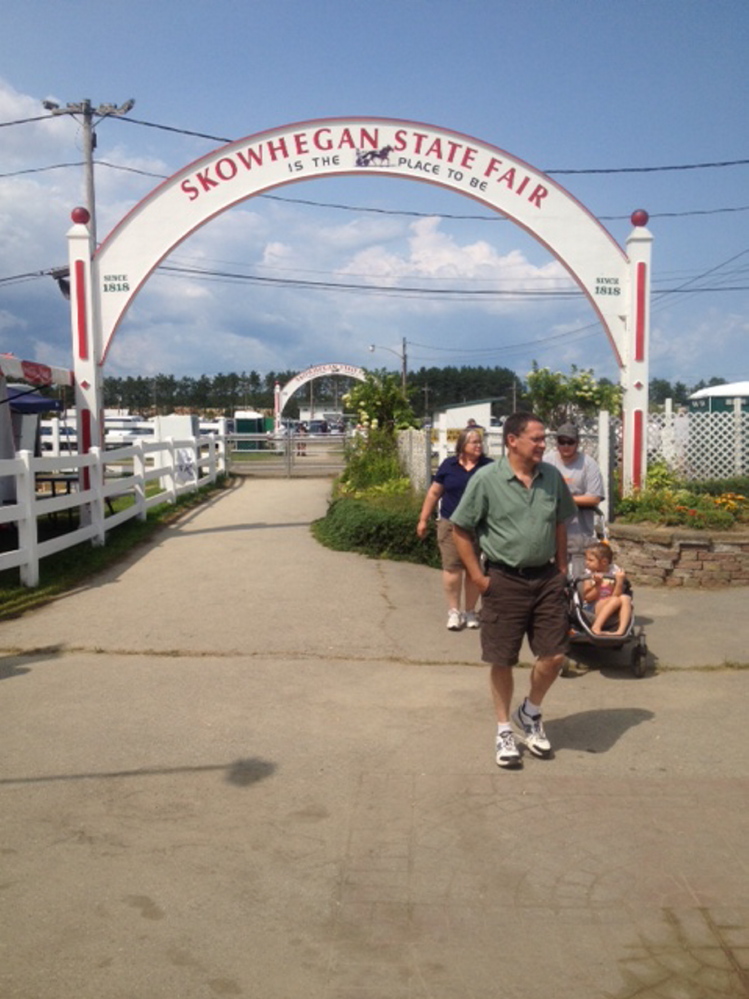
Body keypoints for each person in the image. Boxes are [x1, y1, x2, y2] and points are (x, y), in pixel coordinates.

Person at [450, 411, 576, 769]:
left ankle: (530, 711)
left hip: (547, 579)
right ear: (512, 440)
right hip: (503, 580)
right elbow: (461, 529)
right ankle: (504, 728)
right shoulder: (487, 479)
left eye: (543, 439)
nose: (543, 445)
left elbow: (561, 523)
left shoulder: (551, 477)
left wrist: (562, 569)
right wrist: (477, 577)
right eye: (536, 438)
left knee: (554, 655)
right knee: (502, 658)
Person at [416, 427, 492, 630]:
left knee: (474, 568)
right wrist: (423, 519)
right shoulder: (448, 465)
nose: (478, 446)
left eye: (479, 442)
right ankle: (454, 611)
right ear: (462, 446)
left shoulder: (488, 467)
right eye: (474, 442)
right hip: (451, 523)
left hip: (478, 525)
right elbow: (434, 493)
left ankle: (469, 611)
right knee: (452, 568)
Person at [544, 422, 605, 575]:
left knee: (577, 580)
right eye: (562, 441)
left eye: (570, 442)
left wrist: (564, 499)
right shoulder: (546, 462)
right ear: (556, 442)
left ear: (577, 443)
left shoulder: (589, 464)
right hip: (549, 531)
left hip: (579, 533)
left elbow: (594, 498)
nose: (566, 446)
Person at [582, 542, 632, 636]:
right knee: (615, 600)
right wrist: (598, 584)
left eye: (590, 560)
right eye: (586, 559)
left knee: (625, 598)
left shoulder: (614, 572)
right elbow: (588, 598)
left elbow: (616, 596)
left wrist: (620, 581)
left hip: (613, 604)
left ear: (604, 562)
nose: (586, 562)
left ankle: (620, 631)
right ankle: (596, 627)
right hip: (593, 606)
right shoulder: (588, 574)